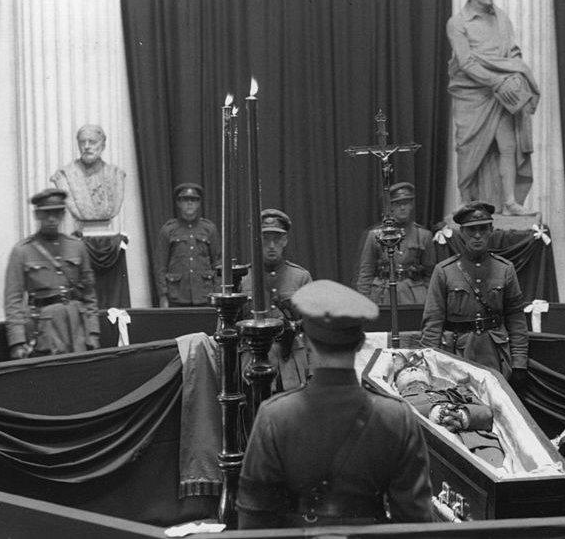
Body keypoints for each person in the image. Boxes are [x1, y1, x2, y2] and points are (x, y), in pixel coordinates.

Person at [236, 280, 433, 528]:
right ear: (361, 342)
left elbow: (253, 522)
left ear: (306, 342)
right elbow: (416, 523)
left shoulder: (274, 416)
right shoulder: (397, 417)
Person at [447, 0, 539, 215]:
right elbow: (466, 62)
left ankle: (510, 202)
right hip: (472, 94)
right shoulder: (458, 23)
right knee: (467, 147)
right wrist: (497, 80)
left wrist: (515, 76)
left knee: (507, 146)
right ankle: (466, 201)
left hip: (503, 94)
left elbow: (513, 52)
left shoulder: (501, 17)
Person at [420, 201, 529, 387]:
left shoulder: (505, 269)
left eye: (483, 229)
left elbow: (516, 319)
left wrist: (519, 363)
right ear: (462, 232)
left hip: (494, 354)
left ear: (491, 230)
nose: (477, 235)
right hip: (456, 354)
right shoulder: (444, 271)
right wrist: (428, 363)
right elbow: (433, 322)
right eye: (471, 230)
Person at [3, 189, 100, 359]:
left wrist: (93, 331)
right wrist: (17, 341)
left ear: (63, 214)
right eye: (46, 214)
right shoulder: (22, 251)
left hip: (77, 326)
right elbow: (13, 300)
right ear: (37, 215)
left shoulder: (77, 247)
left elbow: (89, 294)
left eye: (56, 213)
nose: (51, 219)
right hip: (43, 328)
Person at [238, 209, 313, 391]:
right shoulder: (242, 278)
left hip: (292, 363)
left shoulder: (300, 277)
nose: (271, 245)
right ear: (256, 240)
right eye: (265, 239)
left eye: (277, 239)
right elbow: (228, 331)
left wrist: (313, 370)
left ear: (285, 240)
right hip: (253, 364)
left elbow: (314, 328)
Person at [391, 351, 505, 468]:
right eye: (403, 373)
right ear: (396, 385)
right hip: (431, 448)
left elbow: (487, 414)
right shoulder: (396, 400)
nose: (412, 370)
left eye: (418, 369)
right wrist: (432, 413)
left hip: (479, 443)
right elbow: (395, 422)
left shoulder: (456, 391)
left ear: (429, 379)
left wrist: (462, 415)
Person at [355, 182, 435, 305]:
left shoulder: (423, 236)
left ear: (412, 205)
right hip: (382, 295)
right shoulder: (376, 235)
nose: (402, 208)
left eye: (406, 203)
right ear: (390, 207)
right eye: (397, 204)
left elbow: (431, 274)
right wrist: (364, 303)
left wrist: (429, 300)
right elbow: (366, 273)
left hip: (414, 297)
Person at [153, 183, 221, 307]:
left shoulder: (209, 229)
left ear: (199, 203)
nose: (190, 203)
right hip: (177, 296)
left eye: (194, 200)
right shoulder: (168, 230)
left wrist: (218, 294)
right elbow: (160, 266)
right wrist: (163, 295)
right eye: (185, 200)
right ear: (178, 203)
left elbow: (218, 264)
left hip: (205, 295)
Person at [50, 125, 126, 227]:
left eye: (92, 142)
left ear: (103, 146)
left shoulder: (116, 174)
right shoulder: (64, 175)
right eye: (82, 142)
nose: (86, 146)